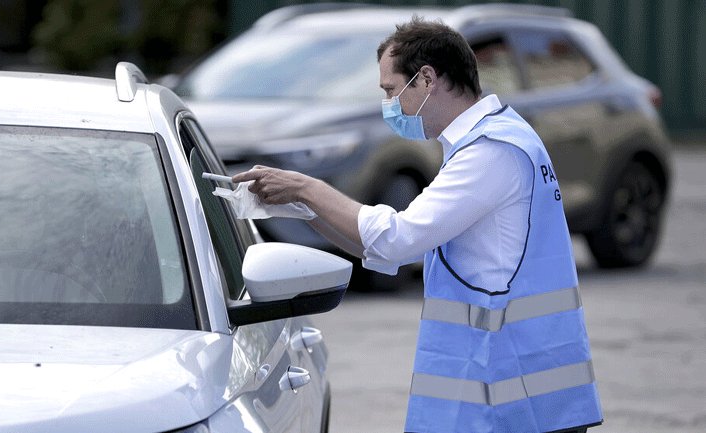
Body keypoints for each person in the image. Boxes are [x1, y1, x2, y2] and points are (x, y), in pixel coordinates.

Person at [232, 16, 603, 433]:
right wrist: (301, 205)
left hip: (515, 397)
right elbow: (378, 249)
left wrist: (306, 187)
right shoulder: (496, 138)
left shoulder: (490, 152)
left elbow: (397, 240)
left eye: (392, 91)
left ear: (426, 79)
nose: (390, 106)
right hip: (515, 388)